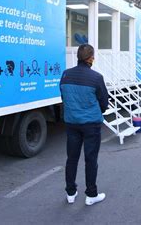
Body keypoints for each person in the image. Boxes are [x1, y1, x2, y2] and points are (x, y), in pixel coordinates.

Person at [60, 44, 109, 206]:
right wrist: (94, 112)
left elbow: (64, 97)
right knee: (91, 159)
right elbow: (104, 103)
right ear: (91, 58)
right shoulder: (96, 77)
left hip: (72, 123)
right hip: (91, 124)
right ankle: (91, 194)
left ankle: (70, 193)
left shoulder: (66, 75)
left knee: (71, 159)